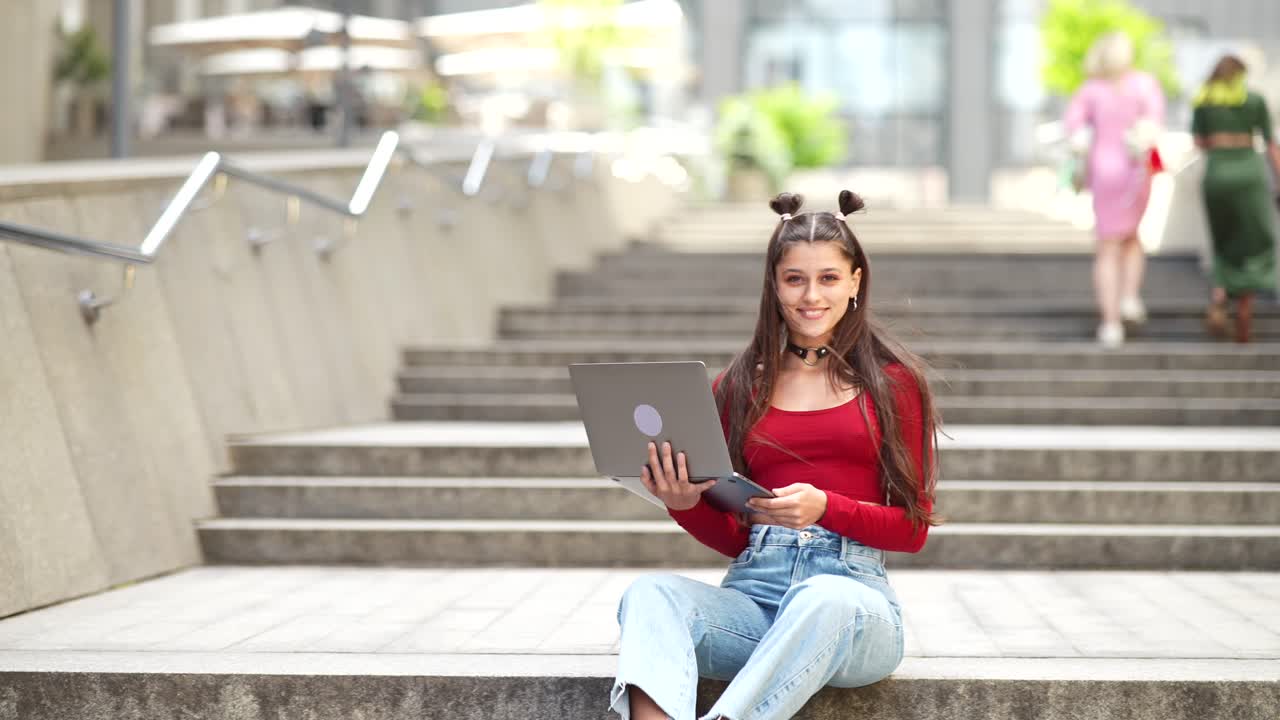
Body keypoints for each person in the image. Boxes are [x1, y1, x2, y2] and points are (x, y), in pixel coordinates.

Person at [609, 191, 941, 720]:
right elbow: (735, 536)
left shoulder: (895, 385)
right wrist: (684, 502)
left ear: (855, 282)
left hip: (853, 607)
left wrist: (824, 507)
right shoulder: (738, 386)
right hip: (752, 600)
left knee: (823, 597)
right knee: (649, 594)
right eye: (795, 279)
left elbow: (913, 528)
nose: (812, 295)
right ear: (774, 284)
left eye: (829, 278)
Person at [1064, 31, 1167, 348]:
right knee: (1132, 237)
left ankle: (1110, 324)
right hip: (1136, 170)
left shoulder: (1090, 90)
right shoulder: (1144, 84)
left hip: (1104, 169)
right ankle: (1130, 297)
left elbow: (1073, 127)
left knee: (1107, 247)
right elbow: (1155, 120)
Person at [1191, 55, 1280, 343]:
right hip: (1249, 173)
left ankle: (1219, 294)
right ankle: (1244, 309)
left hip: (1217, 172)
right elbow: (1270, 145)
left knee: (1223, 239)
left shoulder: (1204, 102)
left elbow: (1199, 142)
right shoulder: (1254, 100)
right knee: (1255, 242)